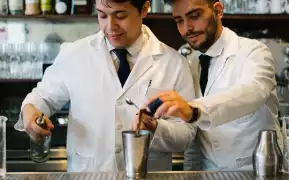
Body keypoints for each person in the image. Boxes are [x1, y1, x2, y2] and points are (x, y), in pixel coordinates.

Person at [14, 0, 196, 172]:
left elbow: (187, 134)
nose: (110, 27)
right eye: (102, 15)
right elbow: (41, 98)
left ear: (144, 9)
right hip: (88, 174)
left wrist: (156, 128)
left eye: (120, 16)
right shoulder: (74, 54)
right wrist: (31, 113)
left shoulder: (175, 63)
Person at [133, 0, 282, 171]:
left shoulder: (254, 52)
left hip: (255, 172)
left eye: (194, 16)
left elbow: (254, 91)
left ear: (218, 10)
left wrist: (195, 110)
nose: (186, 28)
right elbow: (195, 140)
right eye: (179, 21)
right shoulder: (189, 62)